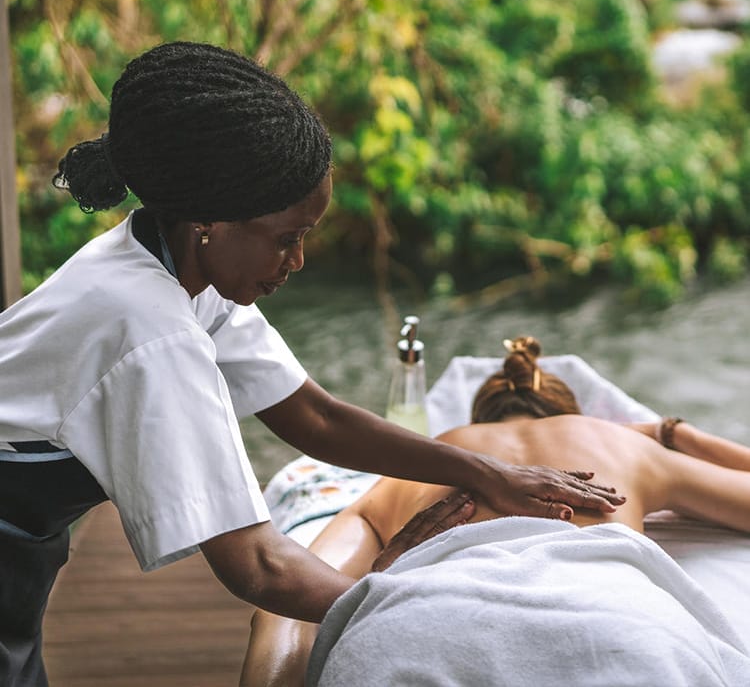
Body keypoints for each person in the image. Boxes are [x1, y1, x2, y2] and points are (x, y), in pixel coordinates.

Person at [0, 43, 624, 687]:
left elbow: (314, 414)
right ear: (211, 219)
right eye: (286, 239)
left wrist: (490, 472)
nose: (295, 263)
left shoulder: (173, 262)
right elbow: (256, 564)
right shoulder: (151, 329)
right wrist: (420, 603)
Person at [242, 336, 750, 687]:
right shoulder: (617, 443)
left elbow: (282, 608)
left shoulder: (410, 465)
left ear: (477, 421)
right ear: (569, 412)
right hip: (614, 623)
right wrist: (671, 433)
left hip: (419, 626)